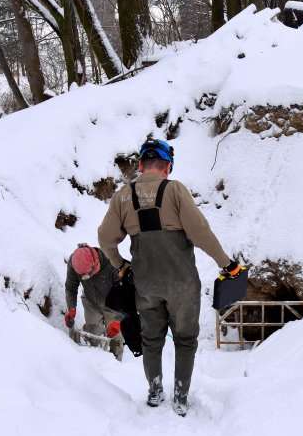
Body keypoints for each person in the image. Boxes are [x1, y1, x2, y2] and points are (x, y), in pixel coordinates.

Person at [98, 138, 241, 416]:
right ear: (168, 166)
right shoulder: (175, 190)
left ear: (140, 165)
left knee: (151, 339)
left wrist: (120, 265)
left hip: (145, 284)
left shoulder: (123, 196)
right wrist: (227, 264)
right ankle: (180, 396)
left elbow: (105, 237)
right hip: (182, 284)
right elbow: (200, 233)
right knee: (185, 339)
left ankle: (154, 390)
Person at [64, 243, 142, 361]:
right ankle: (95, 362)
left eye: (89, 274)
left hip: (114, 305)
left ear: (96, 263)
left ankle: (116, 363)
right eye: (83, 276)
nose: (87, 277)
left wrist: (118, 320)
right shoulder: (74, 263)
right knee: (92, 331)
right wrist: (71, 308)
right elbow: (71, 287)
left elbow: (127, 296)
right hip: (91, 301)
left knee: (116, 336)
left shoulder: (113, 264)